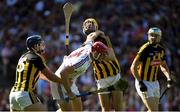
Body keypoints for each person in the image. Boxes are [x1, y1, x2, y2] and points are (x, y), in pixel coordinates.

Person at [50, 30, 109, 111]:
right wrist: (70, 93)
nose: (102, 57)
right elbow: (63, 73)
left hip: (69, 80)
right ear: (95, 52)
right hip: (59, 82)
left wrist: (99, 33)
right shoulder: (82, 62)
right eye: (101, 55)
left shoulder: (89, 47)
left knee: (78, 109)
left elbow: (90, 36)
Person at [9, 35, 63, 111]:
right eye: (40, 44)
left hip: (13, 95)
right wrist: (63, 81)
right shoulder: (36, 57)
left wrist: (50, 80)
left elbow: (36, 74)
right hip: (24, 94)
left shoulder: (23, 56)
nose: (43, 46)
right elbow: (50, 75)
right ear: (35, 46)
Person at [82, 18, 124, 111]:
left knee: (119, 108)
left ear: (96, 26)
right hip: (101, 79)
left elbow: (112, 56)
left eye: (91, 23)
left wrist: (98, 57)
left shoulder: (103, 38)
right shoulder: (85, 45)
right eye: (86, 23)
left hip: (115, 76)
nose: (88, 24)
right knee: (105, 109)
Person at [130, 27, 173, 111]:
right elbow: (133, 67)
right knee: (154, 110)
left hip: (155, 83)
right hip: (143, 82)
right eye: (151, 35)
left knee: (153, 110)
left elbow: (163, 65)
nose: (153, 37)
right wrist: (140, 82)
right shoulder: (145, 49)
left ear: (159, 37)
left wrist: (168, 77)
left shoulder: (161, 50)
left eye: (155, 36)